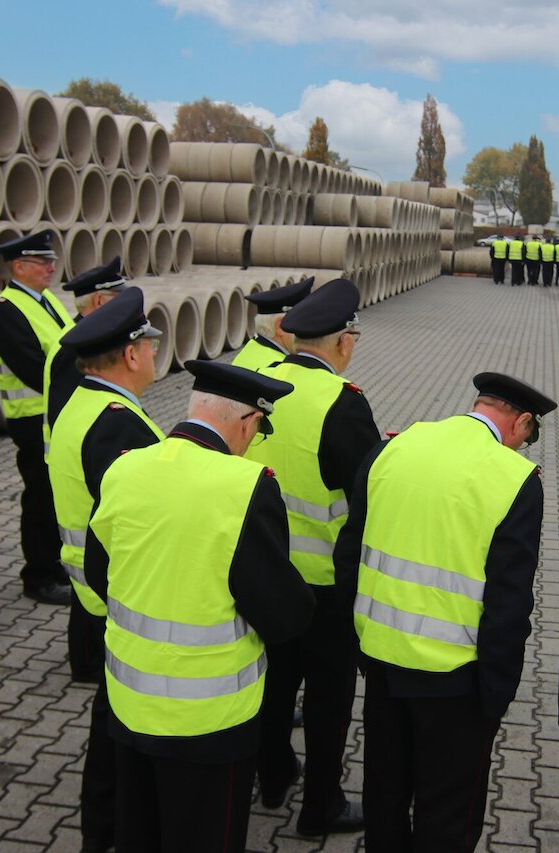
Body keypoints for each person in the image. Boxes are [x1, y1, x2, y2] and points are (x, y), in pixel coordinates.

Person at [85, 360, 315, 852]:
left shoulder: (125, 467)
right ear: (249, 420)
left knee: (139, 834)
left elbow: (97, 573)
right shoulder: (244, 487)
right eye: (257, 432)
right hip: (209, 723)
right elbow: (282, 614)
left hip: (129, 704)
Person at [334, 372, 555, 852]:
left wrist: (361, 643)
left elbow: (348, 552)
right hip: (457, 680)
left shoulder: (397, 445)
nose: (521, 449)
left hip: (383, 663)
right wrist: (496, 693)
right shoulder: (514, 479)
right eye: (527, 438)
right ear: (519, 423)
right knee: (448, 811)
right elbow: (508, 602)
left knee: (385, 794)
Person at [249, 278, 380, 836]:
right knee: (328, 697)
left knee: (274, 682)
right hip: (325, 582)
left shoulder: (257, 383)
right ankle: (320, 806)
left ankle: (274, 777)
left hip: (266, 570)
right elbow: (368, 492)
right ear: (344, 342)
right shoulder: (343, 404)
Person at [47, 288, 164, 851]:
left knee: (110, 721)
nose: (154, 354)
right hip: (118, 596)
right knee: (121, 730)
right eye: (149, 343)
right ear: (132, 354)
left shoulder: (83, 402)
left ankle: (107, 825)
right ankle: (112, 829)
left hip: (92, 589)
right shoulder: (119, 424)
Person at [0, 229, 74, 605]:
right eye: (42, 262)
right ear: (19, 267)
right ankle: (38, 575)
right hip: (33, 419)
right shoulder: (5, 312)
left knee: (54, 495)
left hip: (54, 414)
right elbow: (34, 369)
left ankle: (54, 563)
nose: (51, 268)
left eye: (51, 261)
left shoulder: (45, 299)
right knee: (39, 497)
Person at [45, 256, 131, 430]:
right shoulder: (76, 345)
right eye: (118, 298)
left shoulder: (87, 336)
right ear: (99, 301)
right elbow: (65, 409)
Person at [232, 275, 314, 371]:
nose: (310, 329)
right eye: (304, 322)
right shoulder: (281, 370)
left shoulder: (251, 349)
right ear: (281, 326)